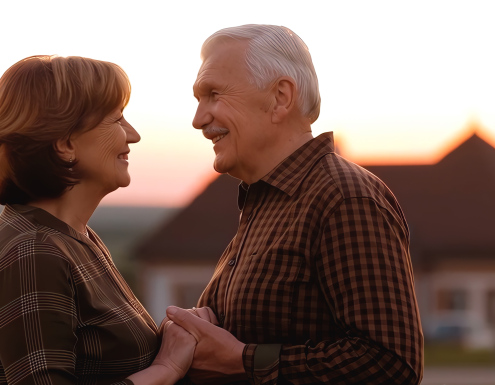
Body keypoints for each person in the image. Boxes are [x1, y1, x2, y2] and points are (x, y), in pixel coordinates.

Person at [165, 25, 423, 384]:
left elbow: (391, 363)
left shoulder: (344, 199)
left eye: (213, 95)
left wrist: (243, 359)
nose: (199, 119)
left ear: (280, 98)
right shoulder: (267, 202)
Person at [0, 55, 195, 385]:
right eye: (117, 120)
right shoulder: (33, 252)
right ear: (65, 143)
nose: (132, 135)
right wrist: (167, 369)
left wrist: (175, 335)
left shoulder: (73, 237)